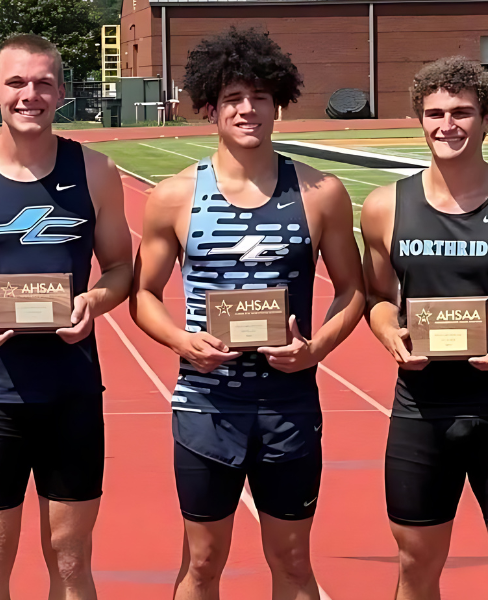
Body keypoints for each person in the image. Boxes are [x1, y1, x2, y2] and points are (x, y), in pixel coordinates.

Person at [130, 27, 364, 600]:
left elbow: (353, 291)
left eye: (259, 96)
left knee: (292, 563)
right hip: (207, 404)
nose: (247, 108)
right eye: (232, 97)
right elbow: (143, 295)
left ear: (277, 103)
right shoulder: (175, 196)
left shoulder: (320, 193)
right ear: (210, 107)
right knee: (202, 563)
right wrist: (182, 342)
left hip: (288, 404)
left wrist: (315, 349)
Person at [0, 34, 133, 600]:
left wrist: (93, 302)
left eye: (42, 83)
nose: (28, 95)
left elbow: (119, 269)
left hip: (71, 390)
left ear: (61, 92)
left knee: (70, 558)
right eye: (15, 83)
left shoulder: (96, 171)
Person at [361, 56, 488, 600]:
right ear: (420, 119)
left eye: (461, 112)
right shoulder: (385, 205)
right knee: (415, 565)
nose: (446, 125)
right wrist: (389, 334)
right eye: (434, 114)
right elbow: (378, 299)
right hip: (421, 407)